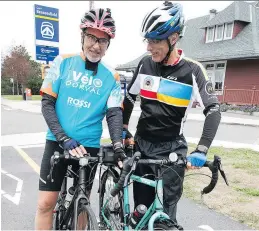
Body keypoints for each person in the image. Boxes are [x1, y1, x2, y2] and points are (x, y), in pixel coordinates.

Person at [122, 1, 221, 229]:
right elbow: (128, 98)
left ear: (174, 38)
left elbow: (214, 111)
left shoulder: (192, 70)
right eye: (147, 40)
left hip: (171, 149)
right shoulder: (145, 64)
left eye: (155, 41)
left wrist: (202, 148)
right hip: (143, 146)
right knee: (142, 211)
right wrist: (124, 128)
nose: (149, 47)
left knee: (165, 217)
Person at [35, 8, 126, 230]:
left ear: (108, 45)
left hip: (89, 147)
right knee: (46, 203)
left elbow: (114, 114)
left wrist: (117, 145)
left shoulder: (111, 77)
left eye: (103, 41)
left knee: (83, 202)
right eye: (92, 38)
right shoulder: (62, 62)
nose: (96, 45)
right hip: (58, 142)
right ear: (82, 37)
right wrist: (63, 137)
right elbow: (47, 103)